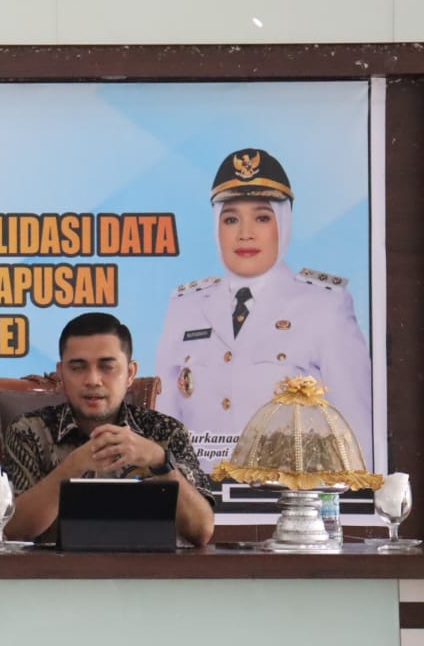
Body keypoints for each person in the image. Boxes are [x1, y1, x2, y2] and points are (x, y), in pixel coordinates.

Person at [155, 148, 373, 471]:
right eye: (231, 219)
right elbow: (165, 423)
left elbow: (356, 432)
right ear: (217, 227)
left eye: (262, 217)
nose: (245, 233)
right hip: (198, 496)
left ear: (283, 224)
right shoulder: (184, 306)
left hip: (288, 495)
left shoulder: (325, 306)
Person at [1, 312, 215, 546]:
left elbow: (201, 532)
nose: (93, 380)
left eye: (107, 367)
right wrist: (72, 467)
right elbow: (14, 530)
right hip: (53, 569)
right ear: (61, 373)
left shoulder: (165, 431)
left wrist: (161, 462)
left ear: (130, 373)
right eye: (78, 368)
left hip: (147, 568)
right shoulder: (29, 431)